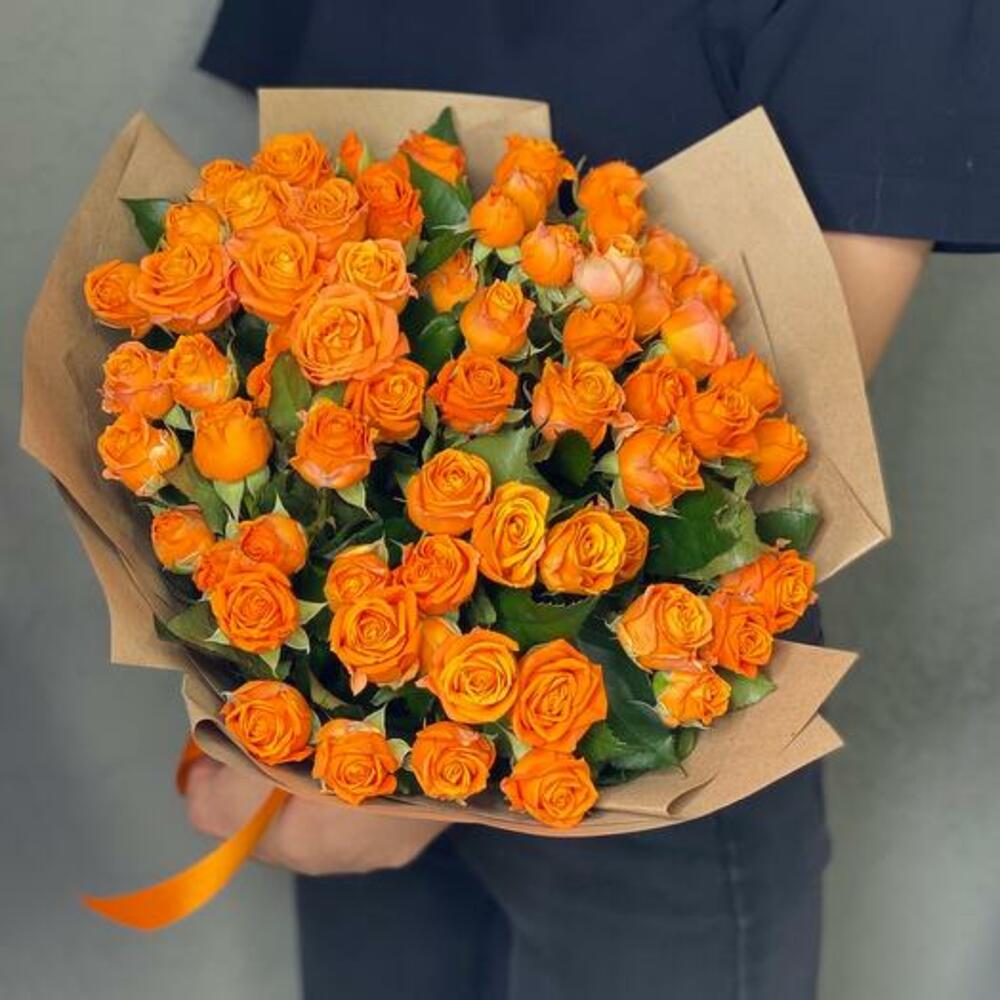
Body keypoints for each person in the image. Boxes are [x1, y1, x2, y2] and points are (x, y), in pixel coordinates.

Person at [186, 2, 999, 997]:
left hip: (651, 718)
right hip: (349, 683)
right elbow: (288, 203)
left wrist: (421, 756)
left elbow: (791, 410)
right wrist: (276, 643)